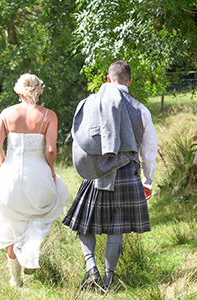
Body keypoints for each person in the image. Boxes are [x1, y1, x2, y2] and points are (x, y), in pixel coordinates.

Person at [62, 60, 157, 291]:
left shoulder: (89, 103)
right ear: (129, 81)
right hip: (127, 172)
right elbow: (149, 150)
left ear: (108, 79)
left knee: (85, 225)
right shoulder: (140, 109)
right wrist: (148, 180)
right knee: (117, 227)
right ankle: (107, 280)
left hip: (96, 172)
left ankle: (90, 268)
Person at [0, 73, 69, 287]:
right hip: (38, 173)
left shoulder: (6, 113)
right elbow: (50, 149)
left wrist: (5, 166)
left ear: (19, 92)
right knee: (40, 216)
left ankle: (15, 280)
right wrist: (51, 170)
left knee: (12, 224)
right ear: (39, 91)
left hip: (9, 175)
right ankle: (29, 252)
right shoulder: (49, 115)